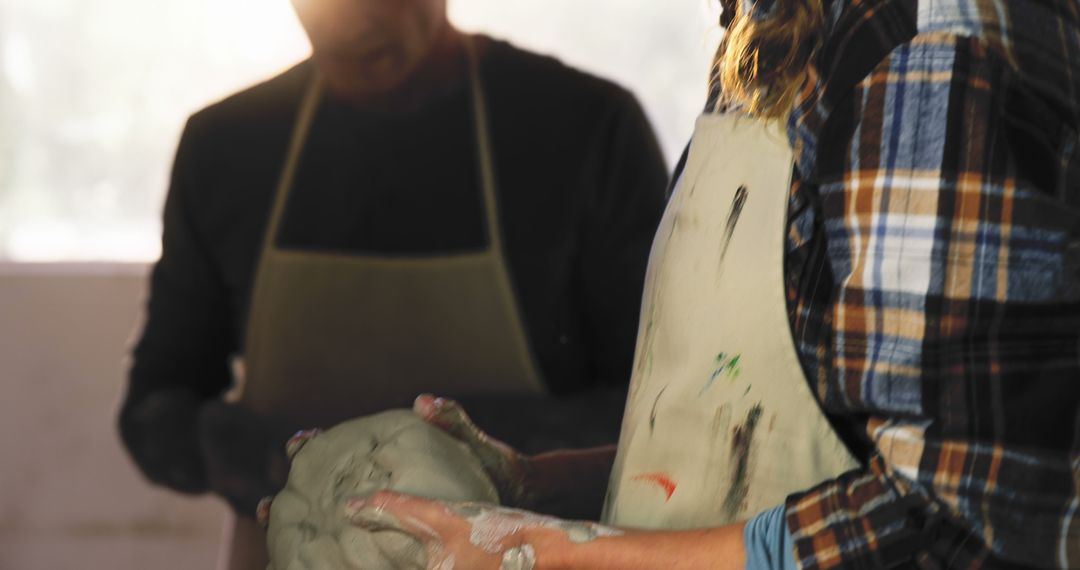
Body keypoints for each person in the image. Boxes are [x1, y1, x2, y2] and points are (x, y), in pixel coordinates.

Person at [335, 0, 1080, 568]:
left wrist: (546, 552)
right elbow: (787, 425)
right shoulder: (773, 32)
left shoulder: (924, 44)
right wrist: (534, 486)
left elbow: (957, 509)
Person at [116, 0, 668, 567]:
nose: (350, 19)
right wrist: (293, 462)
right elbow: (153, 410)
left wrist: (461, 452)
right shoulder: (226, 148)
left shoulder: (584, 128)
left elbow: (665, 409)